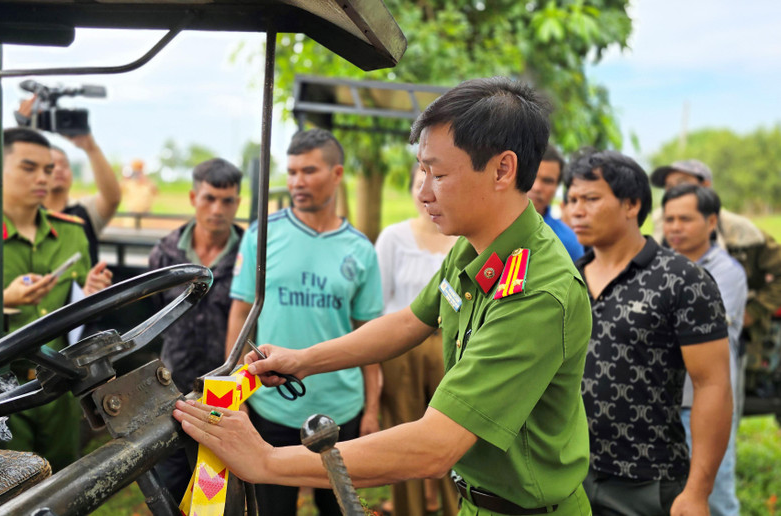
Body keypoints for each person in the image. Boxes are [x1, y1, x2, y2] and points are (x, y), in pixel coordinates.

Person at [177, 77, 594, 515]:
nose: (423, 191)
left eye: (440, 173)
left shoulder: (536, 293)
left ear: (502, 170)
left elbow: (436, 445)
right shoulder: (477, 248)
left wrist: (267, 461)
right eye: (423, 171)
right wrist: (304, 360)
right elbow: (411, 322)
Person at [0, 127, 113, 471]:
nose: (44, 177)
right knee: (4, 485)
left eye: (47, 169)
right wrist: (0, 300)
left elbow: (75, 310)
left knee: (64, 480)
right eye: (29, 168)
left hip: (58, 383)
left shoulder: (71, 232)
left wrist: (89, 290)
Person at [224, 128, 383, 516]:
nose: (296, 182)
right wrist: (235, 397)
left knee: (341, 508)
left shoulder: (360, 250)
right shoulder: (262, 236)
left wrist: (373, 409)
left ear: (337, 173)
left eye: (308, 171)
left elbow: (371, 338)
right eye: (291, 171)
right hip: (270, 407)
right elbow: (240, 317)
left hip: (341, 410)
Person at [564, 149, 732, 515]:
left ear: (632, 204)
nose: (576, 210)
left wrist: (698, 491)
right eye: (572, 199)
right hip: (568, 473)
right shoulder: (566, 279)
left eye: (591, 199)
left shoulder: (682, 279)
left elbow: (713, 385)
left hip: (647, 480)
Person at [148, 158, 244, 501]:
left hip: (230, 392)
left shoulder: (251, 255)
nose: (217, 209)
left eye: (227, 200)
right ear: (193, 198)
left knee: (221, 494)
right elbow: (156, 314)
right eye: (209, 198)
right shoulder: (165, 253)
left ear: (238, 202)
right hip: (171, 391)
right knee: (169, 487)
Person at [650, 159, 781, 391]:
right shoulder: (662, 227)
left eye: (681, 183)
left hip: (730, 334)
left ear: (706, 186)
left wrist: (754, 310)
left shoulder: (741, 232)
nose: (673, 191)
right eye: (668, 186)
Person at [374, 162, 458, 516]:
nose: (425, 193)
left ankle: (458, 508)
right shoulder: (394, 238)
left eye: (435, 182)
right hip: (401, 349)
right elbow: (379, 301)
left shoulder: (463, 239)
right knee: (405, 437)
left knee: (453, 439)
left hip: (451, 348)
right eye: (417, 182)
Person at [662, 184, 747, 516]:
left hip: (704, 405)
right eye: (669, 219)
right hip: (664, 404)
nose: (675, 227)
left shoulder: (726, 272)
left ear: (712, 222)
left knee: (714, 497)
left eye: (685, 218)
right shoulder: (660, 265)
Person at [18, 96, 122, 263]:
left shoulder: (84, 210)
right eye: (51, 166)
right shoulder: (26, 212)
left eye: (64, 165)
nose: (59, 169)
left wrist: (90, 147)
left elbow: (112, 198)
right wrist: (23, 133)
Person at [528, 144, 584, 260]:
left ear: (556, 187)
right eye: (532, 176)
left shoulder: (568, 242)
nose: (537, 187)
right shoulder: (488, 224)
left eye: (547, 181)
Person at [121, 159, 159, 225]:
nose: (137, 173)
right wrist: (126, 177)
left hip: (146, 217)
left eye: (140, 170)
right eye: (136, 170)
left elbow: (156, 192)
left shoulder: (148, 183)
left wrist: (145, 179)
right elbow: (116, 191)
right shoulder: (128, 183)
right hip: (131, 217)